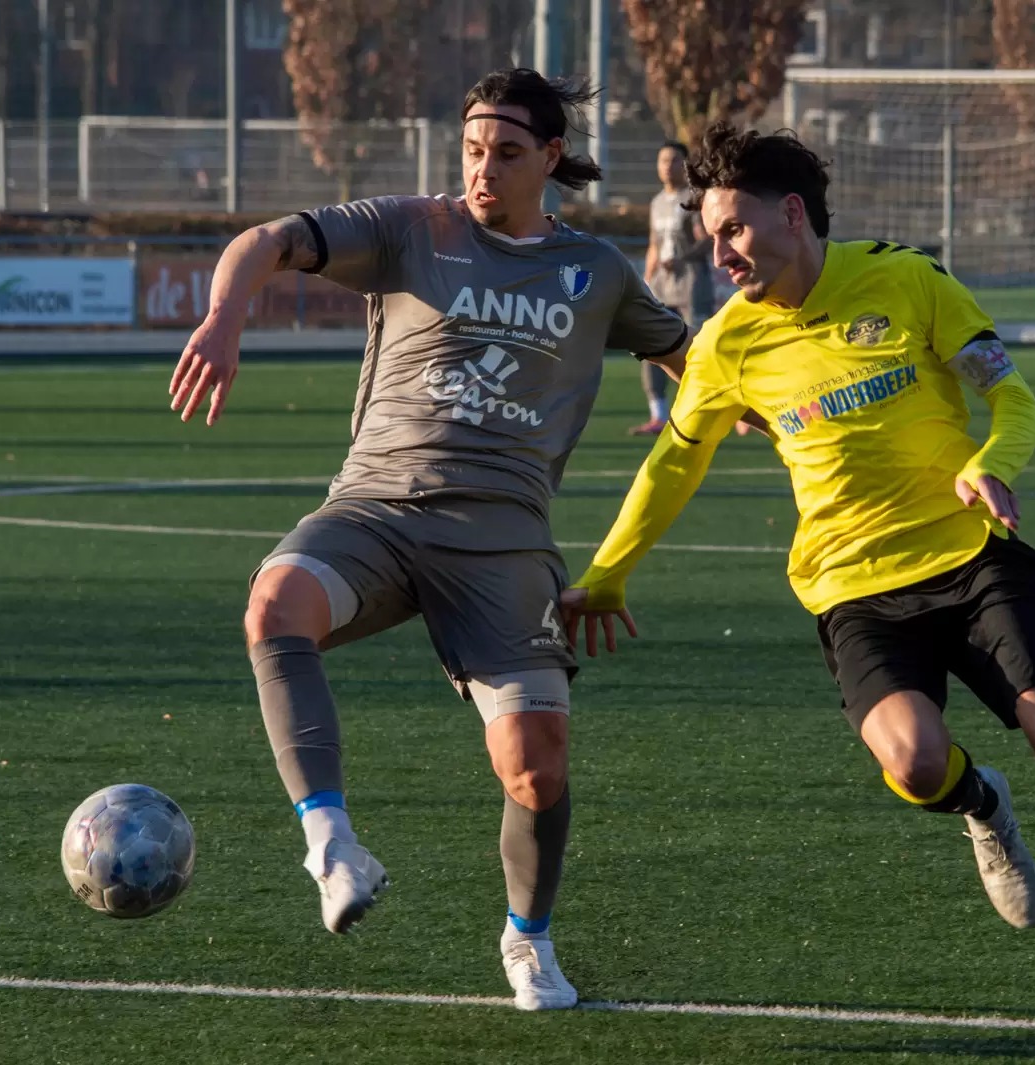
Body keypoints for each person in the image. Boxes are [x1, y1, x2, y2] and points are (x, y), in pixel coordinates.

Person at [560, 124, 1035, 1052]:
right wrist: (605, 573)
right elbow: (673, 466)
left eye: (734, 230)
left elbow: (1016, 396)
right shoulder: (726, 344)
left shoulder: (910, 279)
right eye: (712, 235)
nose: (719, 254)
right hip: (853, 590)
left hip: (976, 560)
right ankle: (982, 805)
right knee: (913, 763)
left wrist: (993, 462)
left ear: (791, 215)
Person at [166, 67, 689, 1011]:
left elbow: (695, 358)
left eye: (509, 154)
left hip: (501, 541)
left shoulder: (598, 274)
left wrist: (785, 410)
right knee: (274, 604)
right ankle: (332, 844)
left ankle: (527, 940)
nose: (485, 170)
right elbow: (267, 240)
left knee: (536, 763)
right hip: (376, 507)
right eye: (474, 151)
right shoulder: (411, 228)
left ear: (552, 158)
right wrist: (225, 312)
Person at [632, 141, 714, 436]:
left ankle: (705, 410)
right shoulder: (656, 202)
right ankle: (658, 415)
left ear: (685, 164)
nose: (667, 166)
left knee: (697, 351)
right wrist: (646, 279)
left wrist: (683, 258)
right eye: (663, 160)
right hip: (661, 287)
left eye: (674, 160)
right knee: (651, 347)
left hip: (691, 284)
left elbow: (707, 239)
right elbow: (654, 244)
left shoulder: (693, 198)